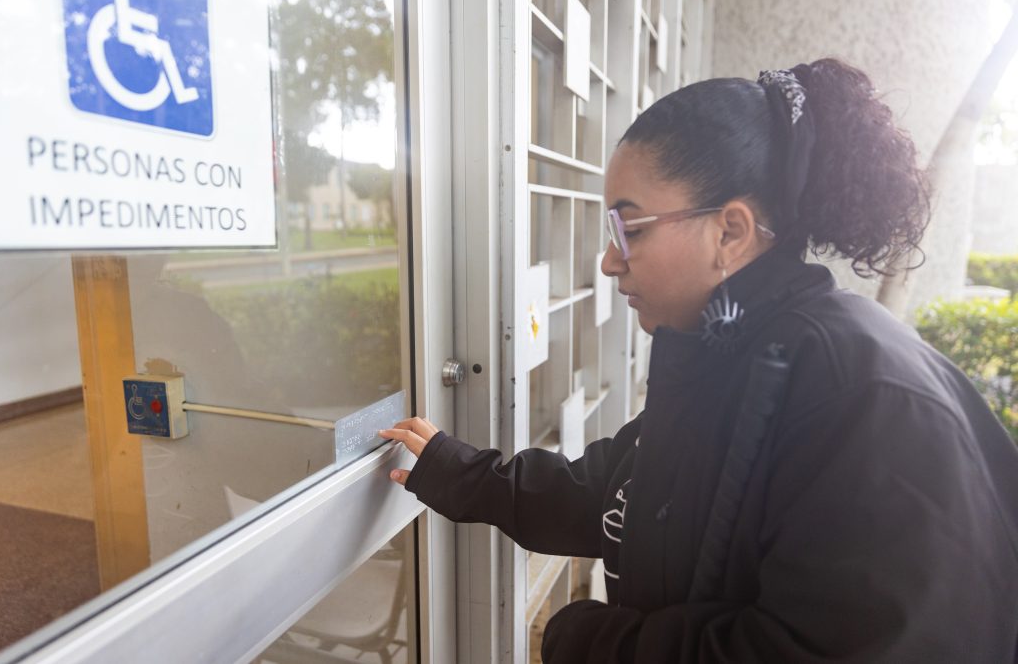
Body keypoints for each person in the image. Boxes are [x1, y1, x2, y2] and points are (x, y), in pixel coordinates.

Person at [379, 58, 1018, 662]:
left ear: (731, 232)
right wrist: (460, 474)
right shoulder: (731, 352)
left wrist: (583, 640)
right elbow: (618, 491)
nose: (608, 260)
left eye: (630, 228)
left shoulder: (858, 395)